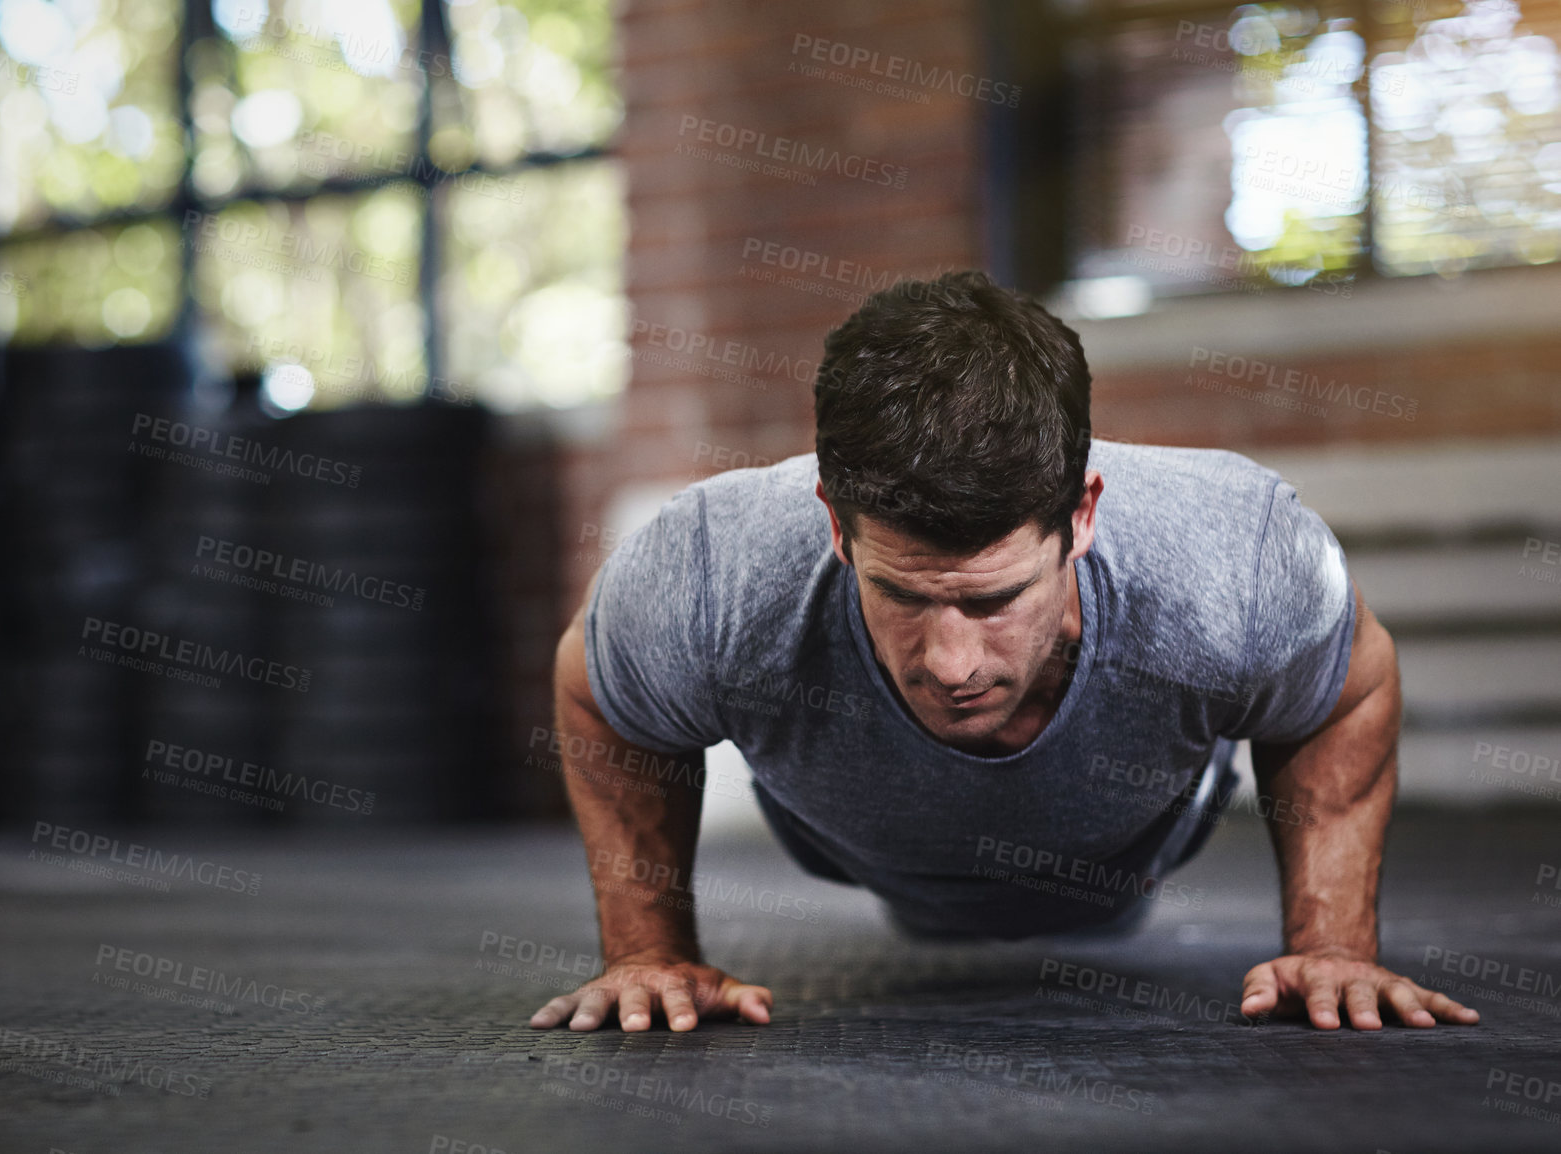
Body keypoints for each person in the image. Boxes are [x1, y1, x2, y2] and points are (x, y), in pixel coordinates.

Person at [528, 270, 1480, 1035]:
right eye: (900, 594)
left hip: (1132, 850)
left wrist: (1334, 947)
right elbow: (599, 693)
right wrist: (647, 953)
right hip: (852, 846)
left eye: (992, 600)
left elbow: (1344, 693)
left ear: (1082, 516)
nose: (950, 662)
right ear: (833, 522)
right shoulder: (708, 566)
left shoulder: (1236, 552)